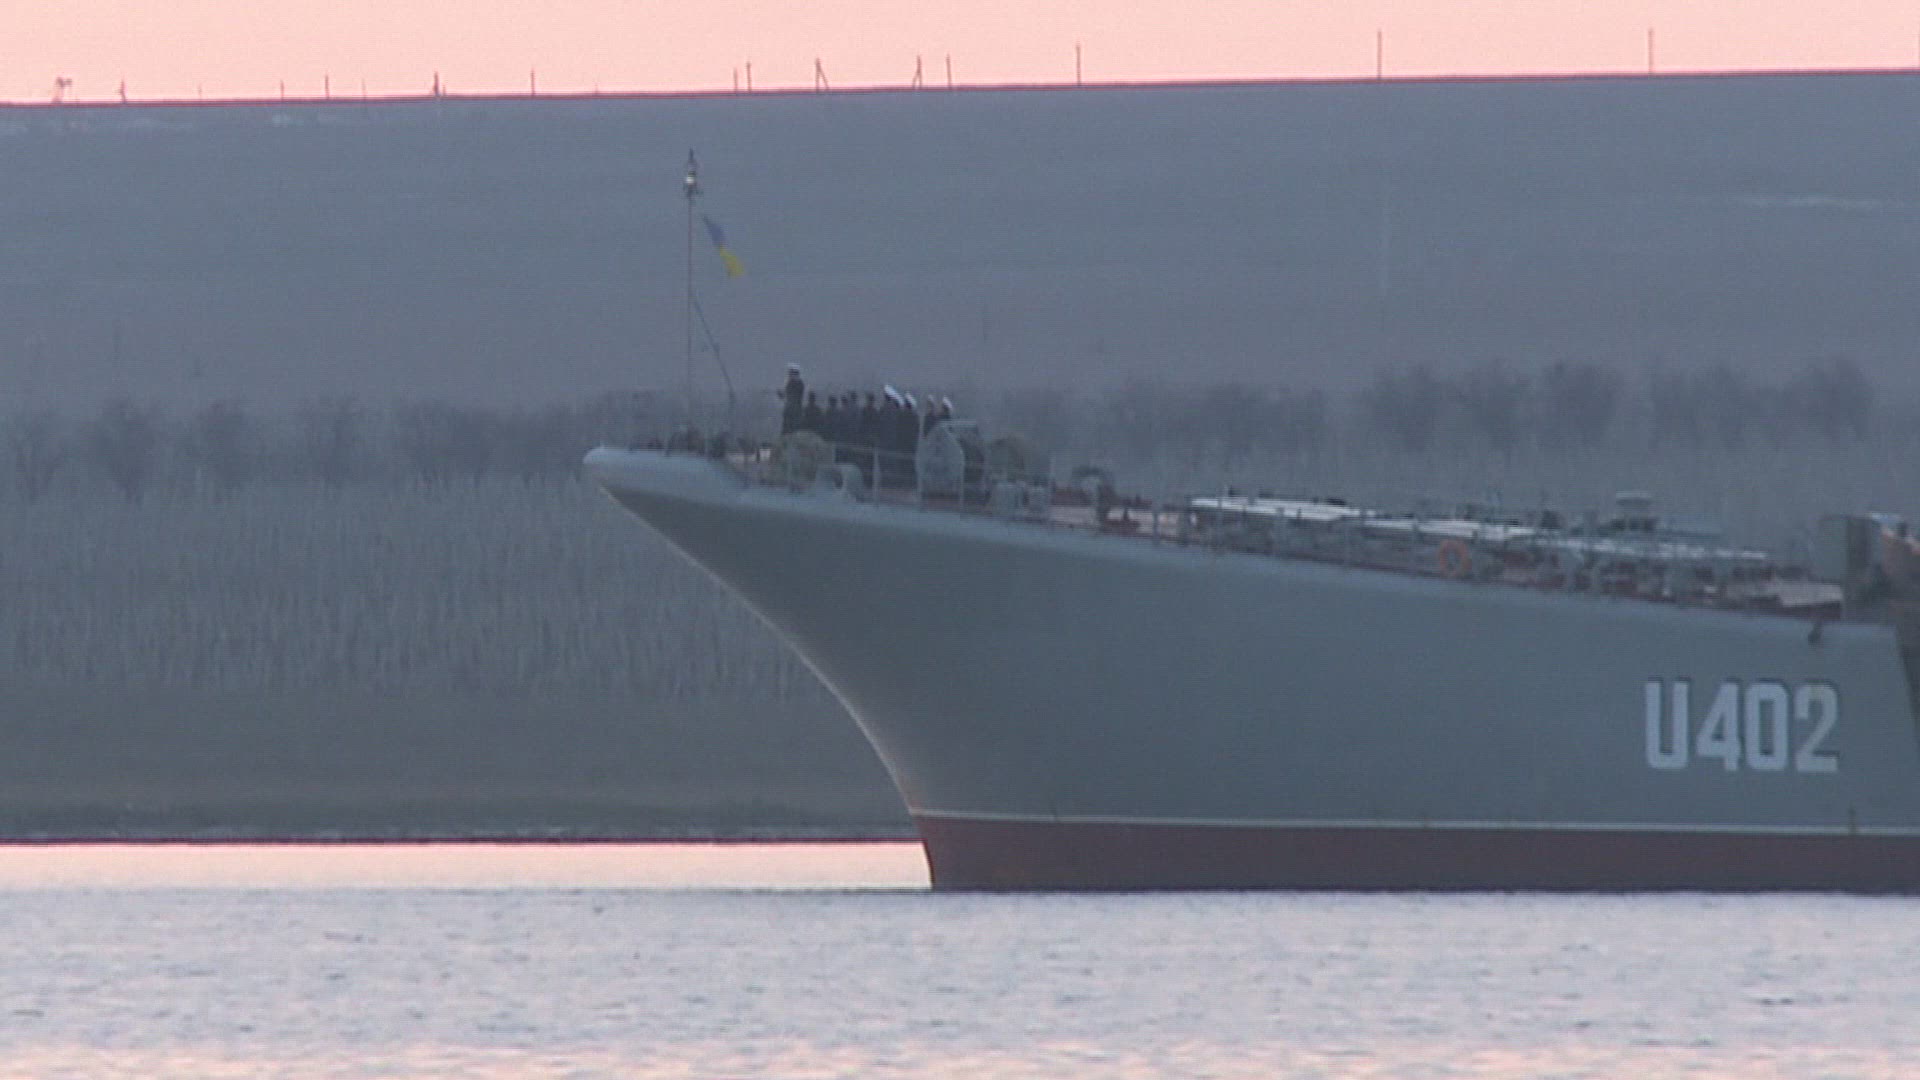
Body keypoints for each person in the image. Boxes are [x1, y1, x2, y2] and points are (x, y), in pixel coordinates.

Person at [779, 365, 806, 435]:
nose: (789, 376)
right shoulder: (796, 383)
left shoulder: (795, 383)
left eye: (790, 374)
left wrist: (782, 395)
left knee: (791, 428)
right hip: (792, 408)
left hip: (793, 409)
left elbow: (790, 396)